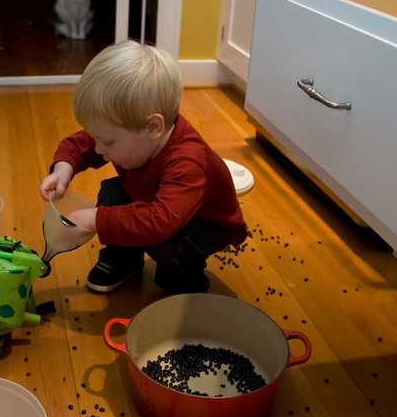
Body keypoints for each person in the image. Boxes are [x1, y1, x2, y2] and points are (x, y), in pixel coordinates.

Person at [39, 41, 247, 294]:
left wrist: (95, 219)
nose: (99, 149)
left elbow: (161, 221)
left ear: (153, 127)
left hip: (201, 224)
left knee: (171, 245)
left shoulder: (189, 162)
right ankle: (123, 260)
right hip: (156, 203)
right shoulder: (131, 134)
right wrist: (63, 169)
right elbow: (80, 144)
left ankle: (184, 284)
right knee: (113, 194)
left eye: (107, 141)